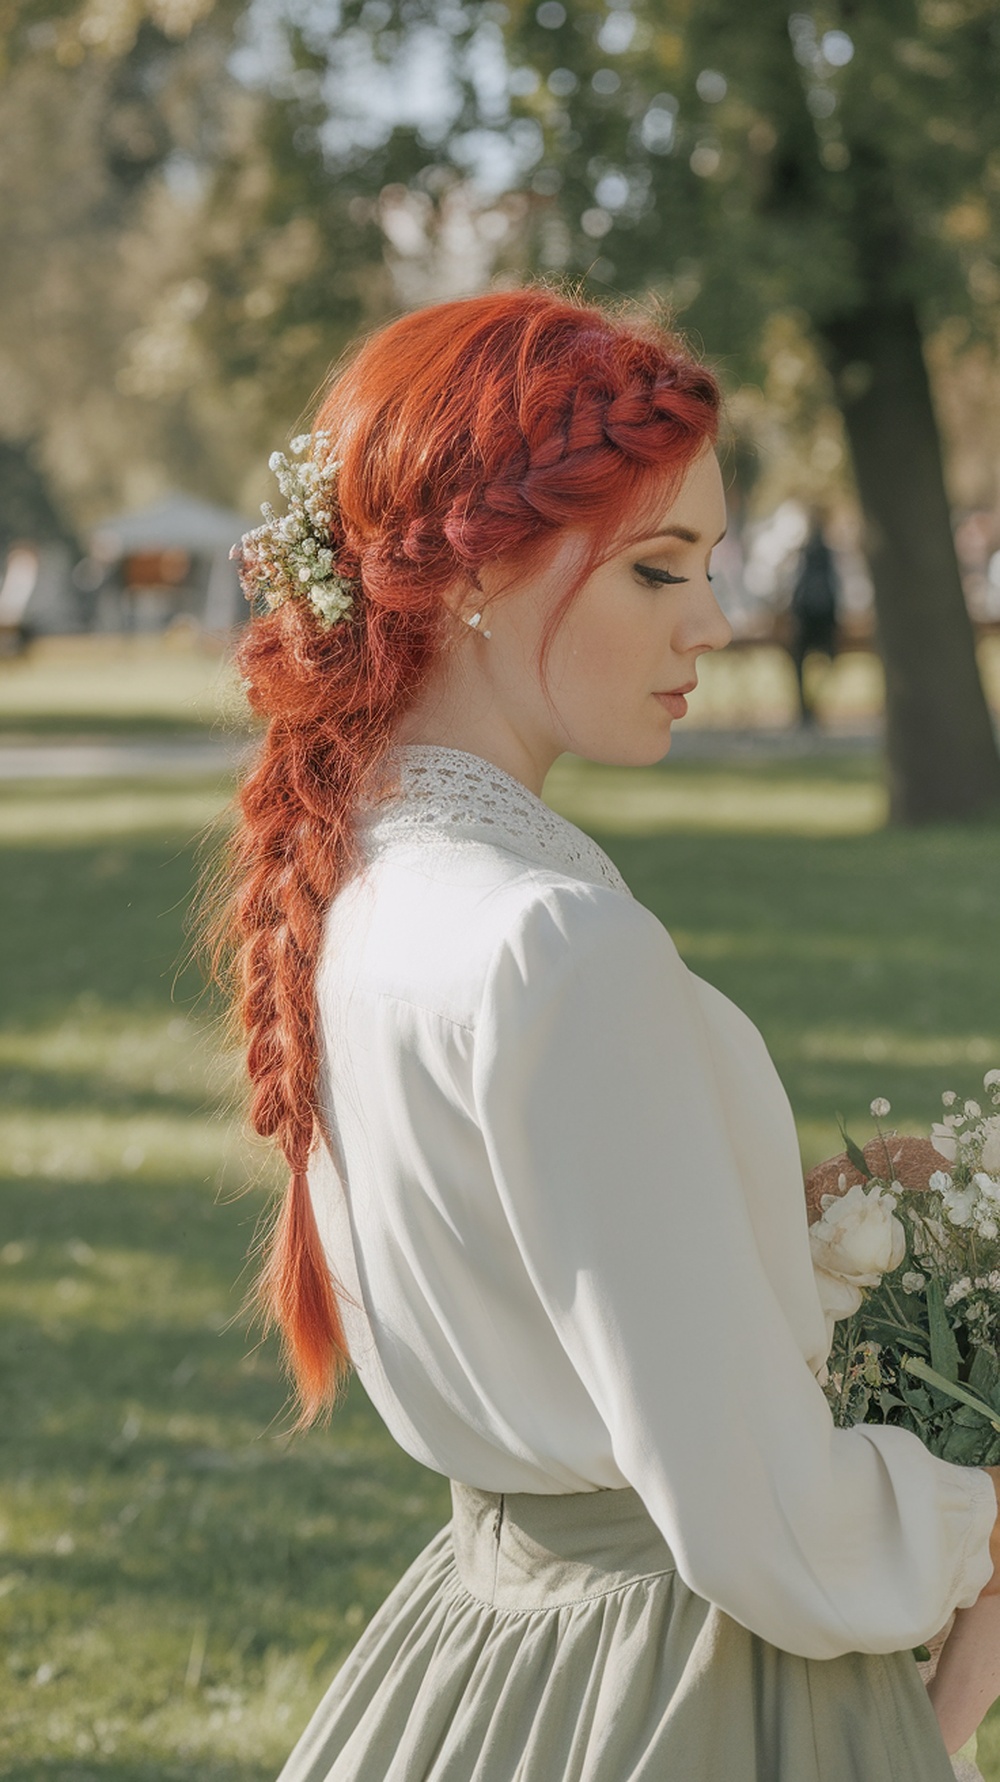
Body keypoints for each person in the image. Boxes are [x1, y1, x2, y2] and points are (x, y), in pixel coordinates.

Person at [213, 288, 1000, 1781]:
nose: (712, 619)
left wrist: (790, 1214)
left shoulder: (360, 882)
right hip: (682, 1677)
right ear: (476, 577)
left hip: (494, 1644)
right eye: (658, 568)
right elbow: (765, 1520)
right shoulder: (553, 942)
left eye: (708, 564)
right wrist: (974, 1516)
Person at [789, 510, 840, 725]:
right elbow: (834, 586)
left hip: (809, 617)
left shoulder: (807, 554)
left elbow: (798, 587)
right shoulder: (825, 554)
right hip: (824, 618)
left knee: (800, 662)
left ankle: (807, 707)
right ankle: (812, 705)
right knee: (825, 660)